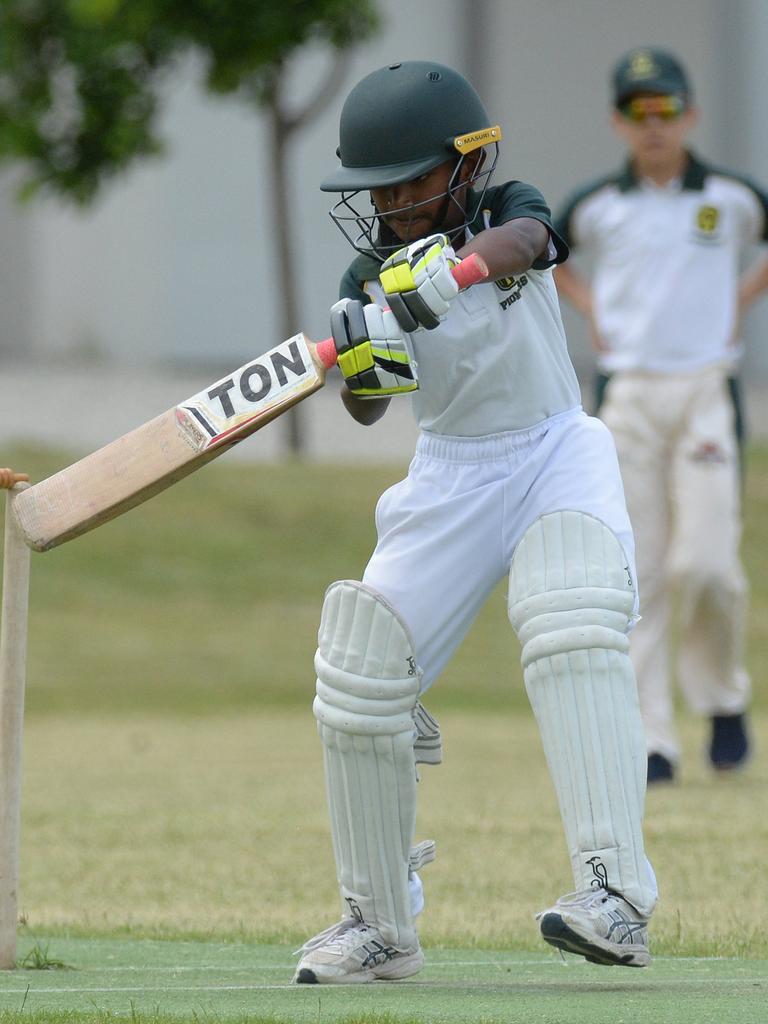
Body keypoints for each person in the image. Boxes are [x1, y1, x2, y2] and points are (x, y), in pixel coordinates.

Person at [293, 60, 657, 985]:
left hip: (551, 449)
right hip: (448, 477)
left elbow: (536, 240)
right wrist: (366, 361)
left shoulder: (503, 212)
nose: (394, 203)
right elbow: (371, 409)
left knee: (572, 614)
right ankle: (378, 922)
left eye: (412, 181)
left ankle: (613, 894)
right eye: (379, 189)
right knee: (360, 664)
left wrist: (450, 274)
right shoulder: (365, 269)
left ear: (465, 166)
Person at [554, 47, 768, 785]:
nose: (655, 126)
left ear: (691, 115)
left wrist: (740, 298)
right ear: (619, 121)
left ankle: (723, 698)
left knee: (706, 565)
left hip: (707, 389)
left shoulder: (733, 198)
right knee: (638, 572)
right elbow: (547, 251)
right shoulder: (597, 206)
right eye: (639, 113)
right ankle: (652, 739)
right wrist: (591, 310)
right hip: (629, 397)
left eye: (667, 110)